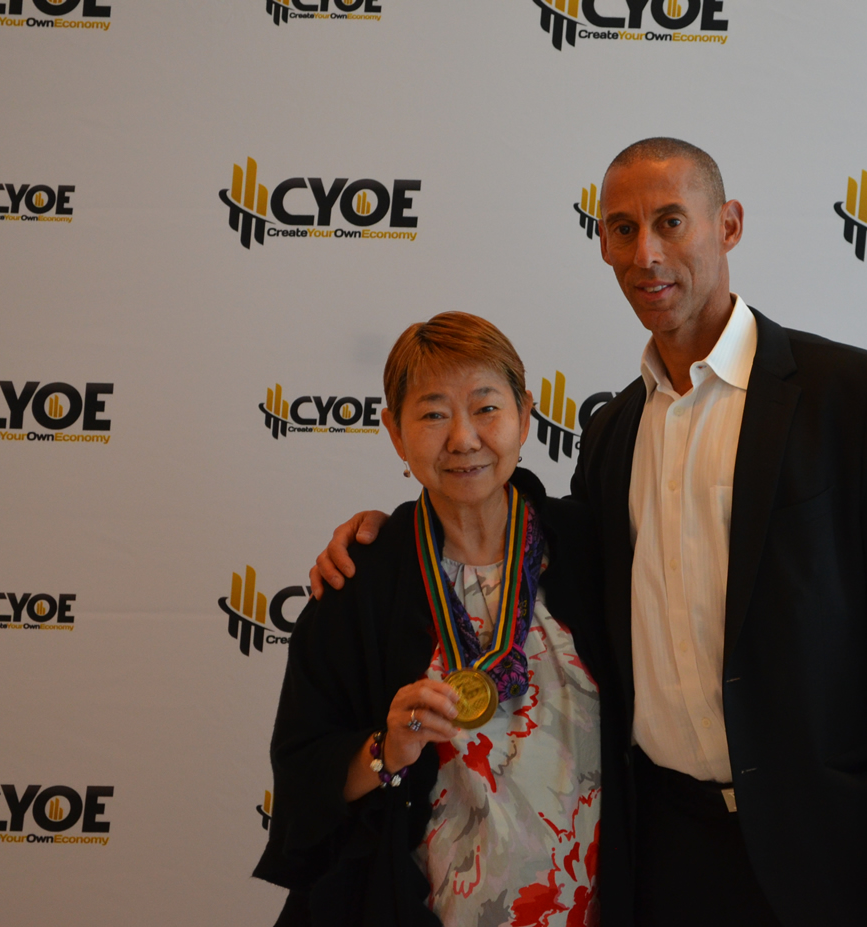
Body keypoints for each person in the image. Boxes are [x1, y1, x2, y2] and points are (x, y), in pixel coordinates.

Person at [311, 139, 867, 927]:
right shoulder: (612, 432)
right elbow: (525, 539)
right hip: (662, 850)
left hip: (832, 844)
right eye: (623, 229)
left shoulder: (855, 396)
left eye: (670, 221)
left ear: (728, 225)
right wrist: (388, 531)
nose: (646, 253)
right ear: (602, 243)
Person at [255, 312, 624, 926]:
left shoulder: (595, 551)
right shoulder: (359, 582)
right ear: (395, 434)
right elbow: (302, 777)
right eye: (432, 415)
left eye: (486, 408)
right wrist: (385, 749)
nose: (463, 438)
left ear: (526, 414)